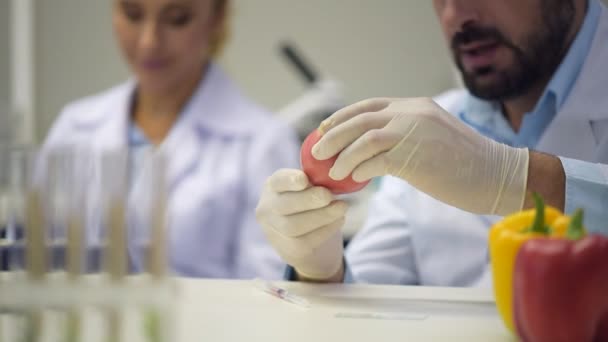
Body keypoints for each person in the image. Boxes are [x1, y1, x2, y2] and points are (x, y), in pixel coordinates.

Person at [256, 0, 608, 285]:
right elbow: (371, 301)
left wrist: (519, 180)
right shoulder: (435, 126)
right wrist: (320, 269)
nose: (455, 15)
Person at [43, 0, 299, 279]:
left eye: (177, 19)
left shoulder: (263, 142)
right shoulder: (74, 127)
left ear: (217, 18)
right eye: (132, 15)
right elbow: (40, 262)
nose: (149, 42)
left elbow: (269, 292)